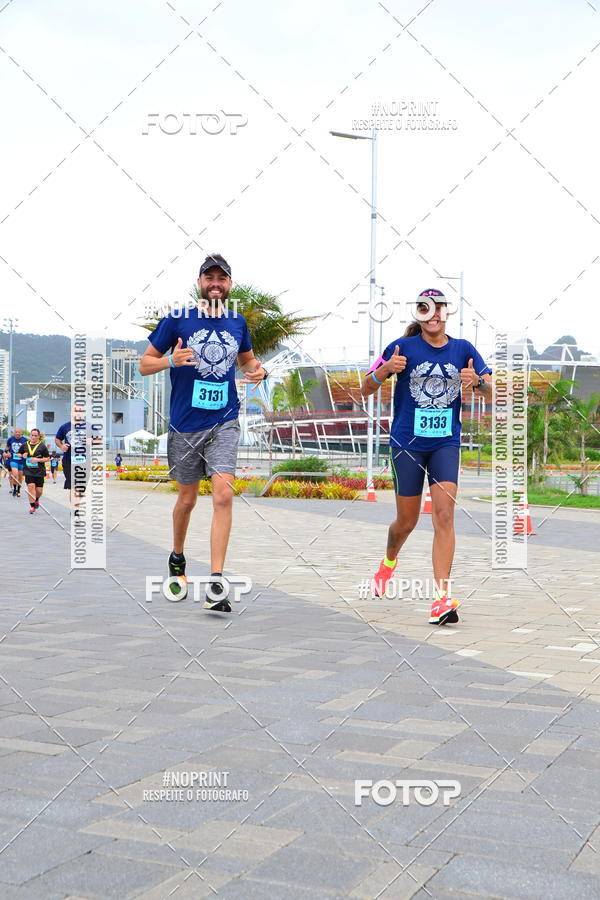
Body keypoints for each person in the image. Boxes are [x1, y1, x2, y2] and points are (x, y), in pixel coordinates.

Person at [139, 253, 267, 612]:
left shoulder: (238, 322)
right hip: (185, 425)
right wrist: (169, 361)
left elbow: (247, 361)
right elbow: (143, 364)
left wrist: (260, 371)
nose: (215, 283)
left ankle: (215, 581)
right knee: (187, 501)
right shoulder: (177, 320)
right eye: (209, 277)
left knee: (223, 494)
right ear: (199, 283)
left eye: (221, 278)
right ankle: (178, 556)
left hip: (224, 420)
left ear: (229, 285)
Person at [362, 288, 492, 626]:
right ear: (418, 314)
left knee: (444, 515)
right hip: (407, 444)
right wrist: (386, 368)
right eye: (425, 308)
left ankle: (441, 599)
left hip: (444, 443)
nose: (433, 314)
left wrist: (477, 381)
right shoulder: (400, 348)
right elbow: (365, 386)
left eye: (439, 308)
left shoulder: (463, 348)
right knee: (406, 522)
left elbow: (492, 387)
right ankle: (388, 563)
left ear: (447, 313)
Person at [20, 428, 50, 514]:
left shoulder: (42, 446)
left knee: (39, 491)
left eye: (35, 435)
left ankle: (36, 499)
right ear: (30, 435)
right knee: (30, 486)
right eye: (32, 435)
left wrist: (37, 460)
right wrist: (23, 455)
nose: (33, 437)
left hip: (39, 471)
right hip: (28, 470)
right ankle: (32, 506)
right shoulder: (25, 445)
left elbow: (47, 458)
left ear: (38, 436)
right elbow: (19, 453)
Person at [6, 427, 26, 497]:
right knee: (15, 474)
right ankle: (14, 489)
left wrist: (25, 454)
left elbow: (27, 449)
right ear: (14, 432)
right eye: (16, 432)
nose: (17, 433)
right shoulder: (10, 439)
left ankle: (19, 490)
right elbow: (7, 447)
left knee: (20, 477)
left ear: (21, 432)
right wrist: (7, 452)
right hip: (13, 459)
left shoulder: (25, 440)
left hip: (21, 460)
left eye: (19, 432)